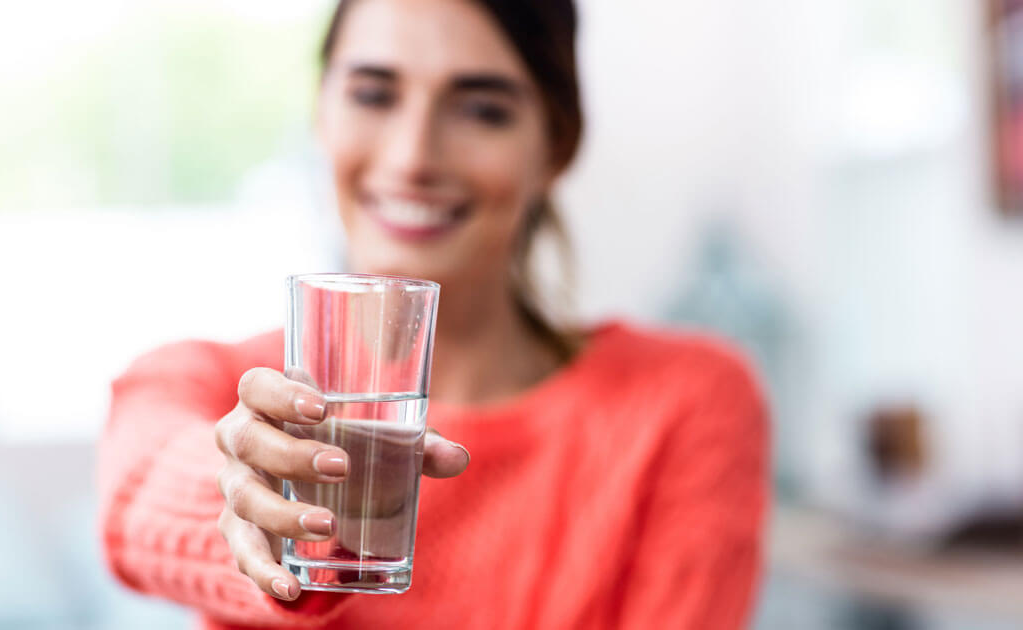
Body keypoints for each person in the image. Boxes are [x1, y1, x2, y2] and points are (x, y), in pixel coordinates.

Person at [97, 0, 769, 628]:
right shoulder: (207, 383)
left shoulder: (685, 402)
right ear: (321, 114)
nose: (413, 157)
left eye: (481, 109)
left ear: (555, 146)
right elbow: (138, 497)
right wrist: (252, 503)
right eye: (373, 94)